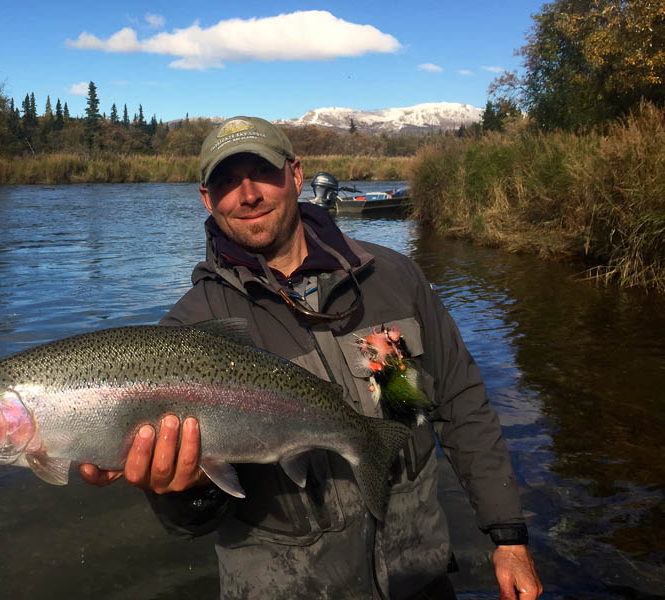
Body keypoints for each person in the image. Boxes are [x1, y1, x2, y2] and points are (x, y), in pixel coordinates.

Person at [80, 116, 542, 600]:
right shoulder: (184, 335)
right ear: (207, 198)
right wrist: (182, 491)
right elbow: (193, 522)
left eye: (261, 172)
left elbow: (461, 402)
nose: (248, 194)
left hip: (419, 578)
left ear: (296, 175)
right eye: (226, 181)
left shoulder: (393, 279)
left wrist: (508, 535)